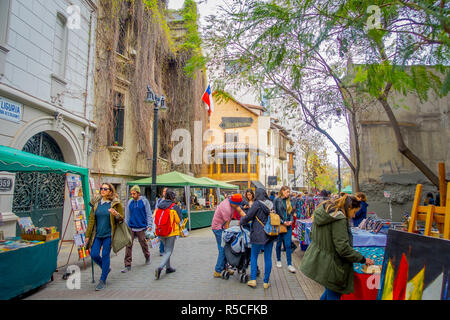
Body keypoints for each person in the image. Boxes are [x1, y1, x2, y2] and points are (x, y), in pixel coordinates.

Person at [300, 195, 375, 300]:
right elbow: (343, 248)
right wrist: (362, 259)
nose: (353, 216)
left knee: (329, 293)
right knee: (333, 294)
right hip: (333, 266)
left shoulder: (325, 213)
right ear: (349, 208)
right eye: (354, 212)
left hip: (323, 262)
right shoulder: (339, 219)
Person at [85, 183, 124, 291]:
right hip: (97, 235)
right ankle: (106, 268)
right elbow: (91, 220)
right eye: (101, 188)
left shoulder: (115, 203)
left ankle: (102, 280)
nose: (102, 190)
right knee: (94, 254)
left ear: (110, 191)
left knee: (106, 255)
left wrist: (116, 214)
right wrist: (87, 235)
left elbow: (121, 219)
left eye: (105, 189)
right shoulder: (96, 203)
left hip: (109, 235)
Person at [240, 188, 276, 289]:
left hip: (257, 234)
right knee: (268, 257)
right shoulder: (271, 204)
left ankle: (253, 280)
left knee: (254, 256)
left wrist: (241, 221)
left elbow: (248, 217)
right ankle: (266, 282)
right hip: (269, 233)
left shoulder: (256, 204)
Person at [211, 193, 246, 278]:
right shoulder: (226, 208)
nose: (238, 206)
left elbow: (240, 211)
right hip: (218, 228)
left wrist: (248, 218)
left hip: (222, 226)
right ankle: (218, 270)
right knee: (222, 249)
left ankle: (225, 268)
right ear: (234, 204)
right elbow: (226, 225)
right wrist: (231, 232)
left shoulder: (232, 202)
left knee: (226, 248)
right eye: (237, 205)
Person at [121, 185, 152, 273]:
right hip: (131, 226)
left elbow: (148, 213)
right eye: (131, 194)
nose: (132, 195)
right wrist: (126, 226)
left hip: (141, 227)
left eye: (134, 194)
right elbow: (127, 215)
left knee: (143, 243)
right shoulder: (130, 202)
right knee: (128, 245)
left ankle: (147, 256)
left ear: (138, 193)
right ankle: (127, 264)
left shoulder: (144, 201)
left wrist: (149, 225)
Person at [154, 189, 182, 279]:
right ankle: (160, 267)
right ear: (173, 197)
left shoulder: (160, 205)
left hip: (160, 231)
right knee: (169, 250)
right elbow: (178, 220)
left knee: (166, 250)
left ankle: (168, 267)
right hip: (170, 232)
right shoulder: (174, 207)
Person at [274, 186, 296, 273]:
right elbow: (275, 213)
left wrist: (290, 221)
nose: (288, 193)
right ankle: (278, 260)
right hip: (280, 225)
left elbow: (291, 212)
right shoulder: (276, 200)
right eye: (287, 191)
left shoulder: (290, 200)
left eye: (289, 192)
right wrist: (283, 222)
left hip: (288, 226)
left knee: (288, 244)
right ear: (282, 191)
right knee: (279, 243)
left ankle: (289, 264)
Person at [155, 187, 168, 256]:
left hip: (167, 220)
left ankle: (165, 248)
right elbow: (156, 209)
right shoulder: (159, 200)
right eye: (163, 191)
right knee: (161, 235)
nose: (164, 193)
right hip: (160, 220)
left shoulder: (169, 201)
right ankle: (161, 250)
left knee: (166, 236)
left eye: (166, 191)